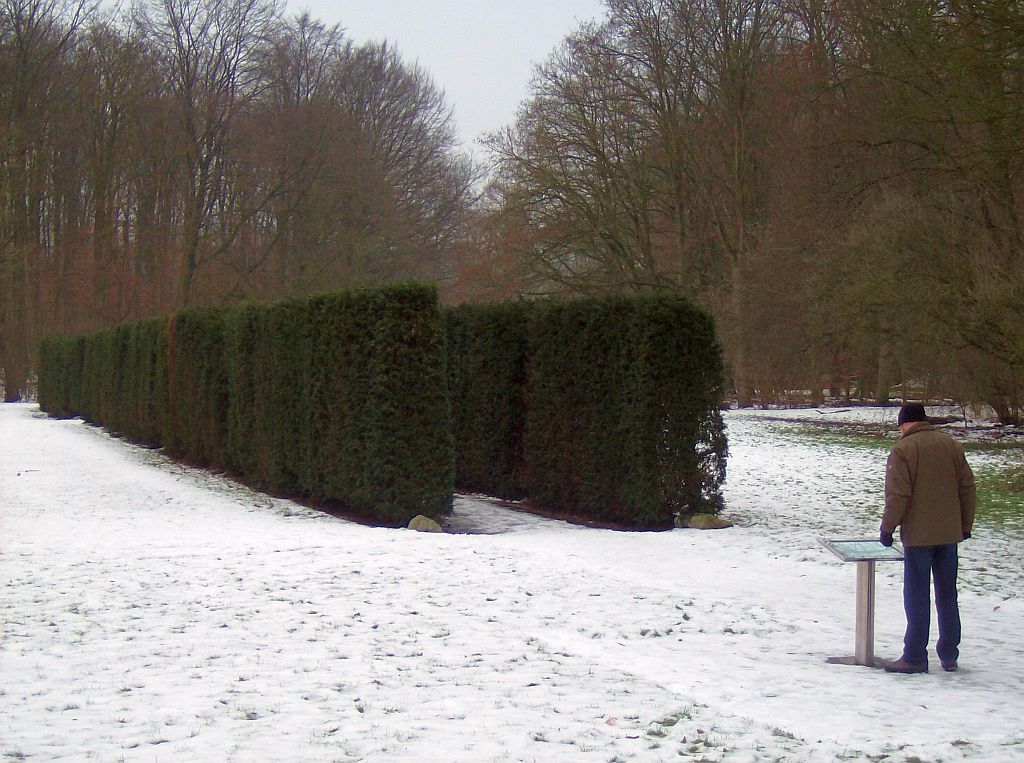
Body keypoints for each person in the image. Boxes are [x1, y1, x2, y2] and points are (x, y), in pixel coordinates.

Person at [880, 402, 976, 674]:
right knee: (947, 594)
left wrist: (888, 528)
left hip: (919, 537)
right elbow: (967, 488)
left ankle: (914, 655)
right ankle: (949, 653)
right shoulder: (951, 446)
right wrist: (964, 525)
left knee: (917, 596)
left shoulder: (903, 450)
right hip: (949, 535)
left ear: (904, 424)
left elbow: (898, 495)